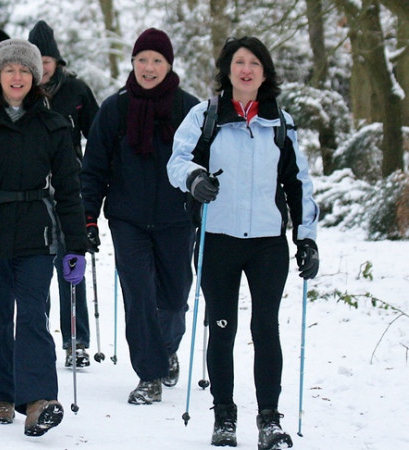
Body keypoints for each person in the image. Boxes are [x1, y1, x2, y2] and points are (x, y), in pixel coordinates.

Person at [167, 36, 319, 449]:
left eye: (254, 62)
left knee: (265, 327)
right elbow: (177, 161)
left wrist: (307, 239)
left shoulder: (280, 123)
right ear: (227, 70)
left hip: (268, 243)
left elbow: (299, 184)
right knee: (222, 327)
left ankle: (269, 421)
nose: (246, 69)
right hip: (218, 240)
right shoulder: (205, 116)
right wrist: (195, 179)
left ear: (265, 72)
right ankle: (224, 416)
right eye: (238, 62)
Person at [0, 38, 87, 437]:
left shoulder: (53, 124)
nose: (17, 76)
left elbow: (68, 188)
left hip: (36, 233)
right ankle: (4, 396)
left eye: (25, 70)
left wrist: (75, 246)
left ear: (35, 78)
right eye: (9, 69)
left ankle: (39, 399)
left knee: (32, 315)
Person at [81, 28, 199, 404]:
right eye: (142, 59)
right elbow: (94, 167)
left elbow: (206, 165)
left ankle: (167, 347)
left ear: (169, 65)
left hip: (177, 218)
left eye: (157, 60)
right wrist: (88, 217)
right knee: (138, 294)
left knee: (175, 296)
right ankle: (149, 374)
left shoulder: (190, 110)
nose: (149, 67)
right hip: (127, 218)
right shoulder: (114, 109)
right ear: (133, 63)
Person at [28, 20, 99, 367]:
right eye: (35, 59)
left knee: (70, 263)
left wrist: (95, 178)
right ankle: (35, 334)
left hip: (69, 188)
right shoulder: (17, 90)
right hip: (28, 190)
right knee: (35, 268)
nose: (42, 66)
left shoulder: (76, 90)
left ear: (57, 61)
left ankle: (76, 340)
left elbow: (97, 136)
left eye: (47, 60)